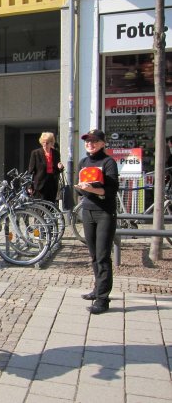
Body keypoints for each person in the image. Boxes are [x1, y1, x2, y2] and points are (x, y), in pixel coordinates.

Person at [74, 129, 119, 315]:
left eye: (94, 141)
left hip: (104, 213)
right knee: (93, 255)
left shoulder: (108, 162)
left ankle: (103, 299)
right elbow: (79, 189)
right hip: (88, 212)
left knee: (102, 257)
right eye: (87, 141)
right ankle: (97, 289)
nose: (90, 144)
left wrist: (92, 189)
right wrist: (81, 189)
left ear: (102, 143)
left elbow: (111, 190)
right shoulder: (83, 162)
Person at [27, 132, 64, 203]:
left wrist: (60, 167)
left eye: (47, 143)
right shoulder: (35, 153)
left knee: (50, 207)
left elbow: (58, 169)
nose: (45, 144)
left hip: (52, 184)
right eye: (43, 142)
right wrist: (29, 186)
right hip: (40, 185)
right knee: (40, 208)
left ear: (51, 143)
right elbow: (31, 171)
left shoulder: (56, 153)